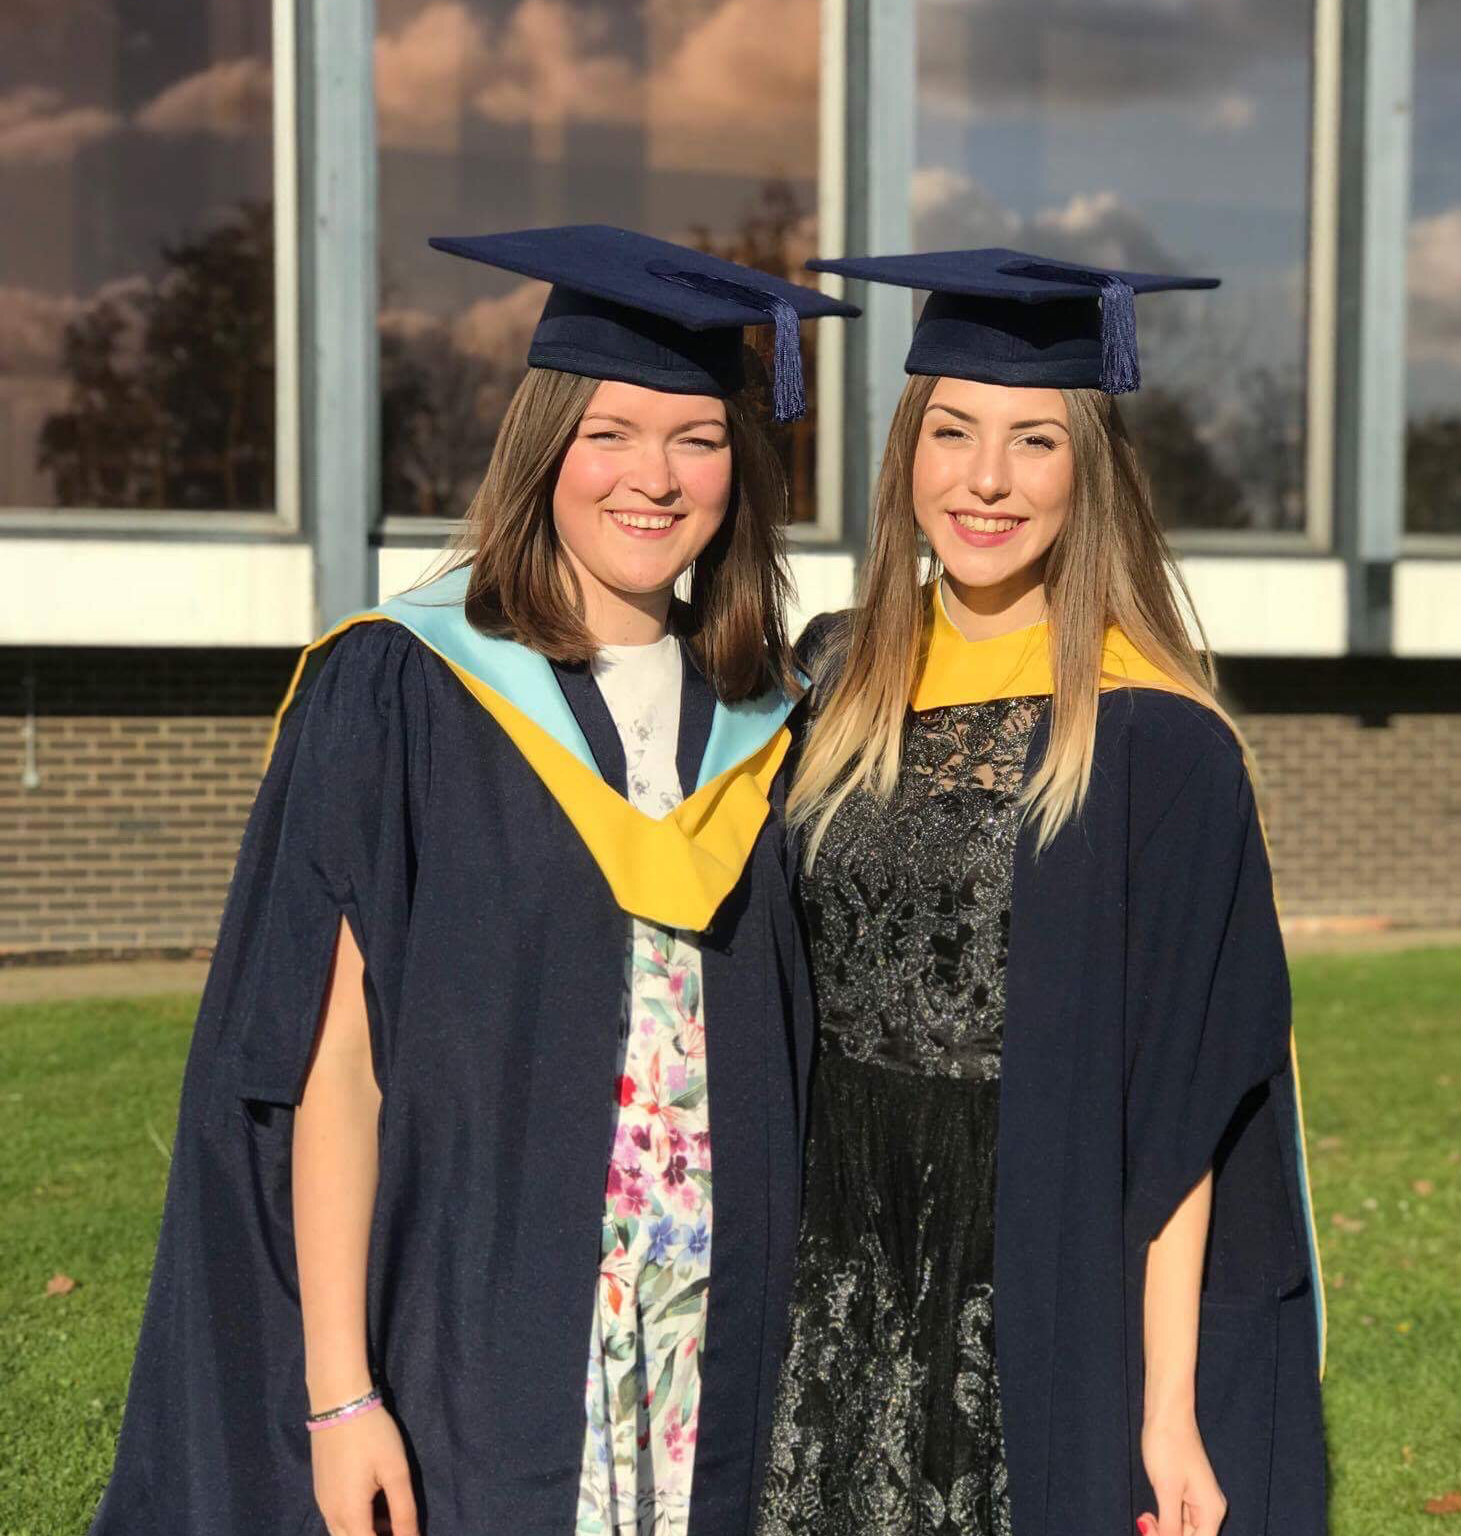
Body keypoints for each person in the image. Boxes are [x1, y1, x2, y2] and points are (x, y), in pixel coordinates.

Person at [87, 225, 858, 1536]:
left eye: (699, 438)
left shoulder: (774, 720)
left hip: (716, 1364)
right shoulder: (404, 688)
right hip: (481, 1358)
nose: (654, 479)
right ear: (543, 443)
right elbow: (328, 1070)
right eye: (610, 431)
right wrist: (340, 1399)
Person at [756, 248, 1328, 1536]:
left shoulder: (1156, 744)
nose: (988, 479)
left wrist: (1166, 1405)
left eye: (1035, 440)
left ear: (1090, 475)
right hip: (829, 1244)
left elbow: (1186, 1105)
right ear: (908, 451)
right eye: (952, 431)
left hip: (1032, 1247)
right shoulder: (829, 688)